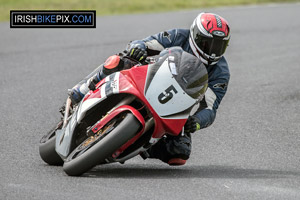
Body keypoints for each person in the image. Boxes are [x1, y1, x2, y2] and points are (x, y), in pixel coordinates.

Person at [68, 12, 231, 166]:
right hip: (149, 78)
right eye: (207, 43)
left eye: (219, 46)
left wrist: (196, 122)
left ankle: (139, 143)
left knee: (179, 153)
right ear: (194, 35)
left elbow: (209, 108)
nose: (212, 50)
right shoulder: (178, 36)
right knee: (119, 60)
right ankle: (82, 89)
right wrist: (138, 48)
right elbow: (145, 42)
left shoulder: (221, 72)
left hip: (176, 106)